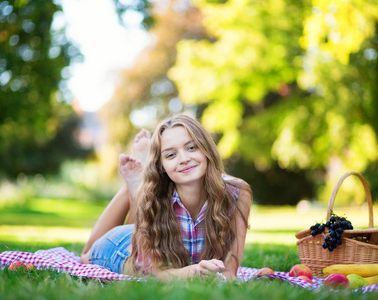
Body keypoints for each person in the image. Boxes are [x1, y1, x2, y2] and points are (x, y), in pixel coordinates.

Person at [80, 114, 252, 281]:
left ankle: (137, 187)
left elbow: (230, 272)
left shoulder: (238, 192)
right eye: (171, 155)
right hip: (122, 249)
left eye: (192, 147)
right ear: (161, 166)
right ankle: (132, 187)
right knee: (85, 257)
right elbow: (157, 273)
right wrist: (193, 272)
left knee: (141, 211)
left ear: (206, 148)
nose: (184, 159)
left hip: (142, 235)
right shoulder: (154, 196)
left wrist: (216, 275)